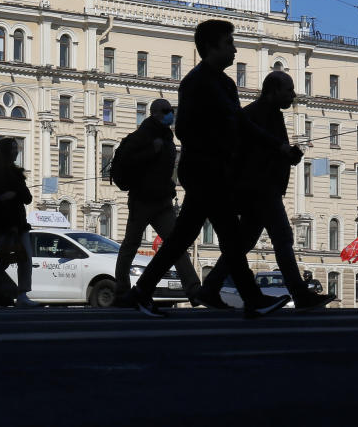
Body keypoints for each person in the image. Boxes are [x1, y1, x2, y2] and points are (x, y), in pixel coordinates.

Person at [124, 19, 293, 318]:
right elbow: (185, 130)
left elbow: (241, 123)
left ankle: (143, 291)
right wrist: (221, 143)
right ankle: (251, 298)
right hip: (204, 169)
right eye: (229, 42)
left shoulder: (225, 84)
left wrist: (275, 147)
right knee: (228, 233)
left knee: (184, 237)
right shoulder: (195, 83)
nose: (235, 49)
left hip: (214, 170)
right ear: (212, 46)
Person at [197, 72, 334, 310]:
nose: (293, 95)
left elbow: (271, 150)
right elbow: (257, 152)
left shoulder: (269, 114)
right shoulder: (255, 115)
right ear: (273, 90)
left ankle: (209, 288)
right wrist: (283, 153)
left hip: (259, 189)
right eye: (288, 90)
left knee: (242, 244)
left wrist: (288, 155)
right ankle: (301, 295)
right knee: (283, 238)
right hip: (260, 189)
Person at [112, 99, 201, 305]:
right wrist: (151, 150)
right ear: (154, 113)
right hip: (142, 201)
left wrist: (170, 187)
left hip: (162, 201)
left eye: (172, 111)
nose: (170, 114)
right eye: (166, 111)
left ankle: (193, 288)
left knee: (175, 245)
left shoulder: (167, 137)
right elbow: (127, 163)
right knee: (130, 245)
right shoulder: (142, 136)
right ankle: (122, 289)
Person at [0, 137, 40, 308]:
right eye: (13, 148)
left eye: (17, 147)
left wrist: (12, 194)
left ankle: (22, 294)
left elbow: (27, 198)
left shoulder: (14, 173)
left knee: (24, 259)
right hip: (5, 225)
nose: (17, 151)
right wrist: (9, 196)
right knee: (3, 259)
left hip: (18, 224)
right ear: (5, 151)